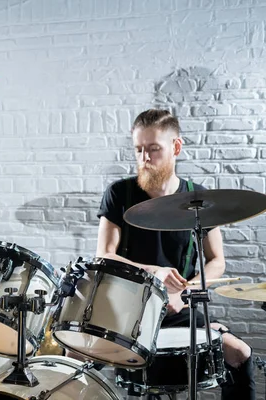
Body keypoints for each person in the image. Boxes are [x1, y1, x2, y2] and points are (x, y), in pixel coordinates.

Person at [96, 109, 255, 398]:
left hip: (180, 309)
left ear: (176, 147)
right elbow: (105, 256)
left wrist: (183, 293)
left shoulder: (198, 198)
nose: (145, 157)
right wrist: (154, 272)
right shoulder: (120, 193)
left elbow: (217, 261)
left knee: (240, 354)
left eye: (154, 149)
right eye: (139, 149)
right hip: (131, 314)